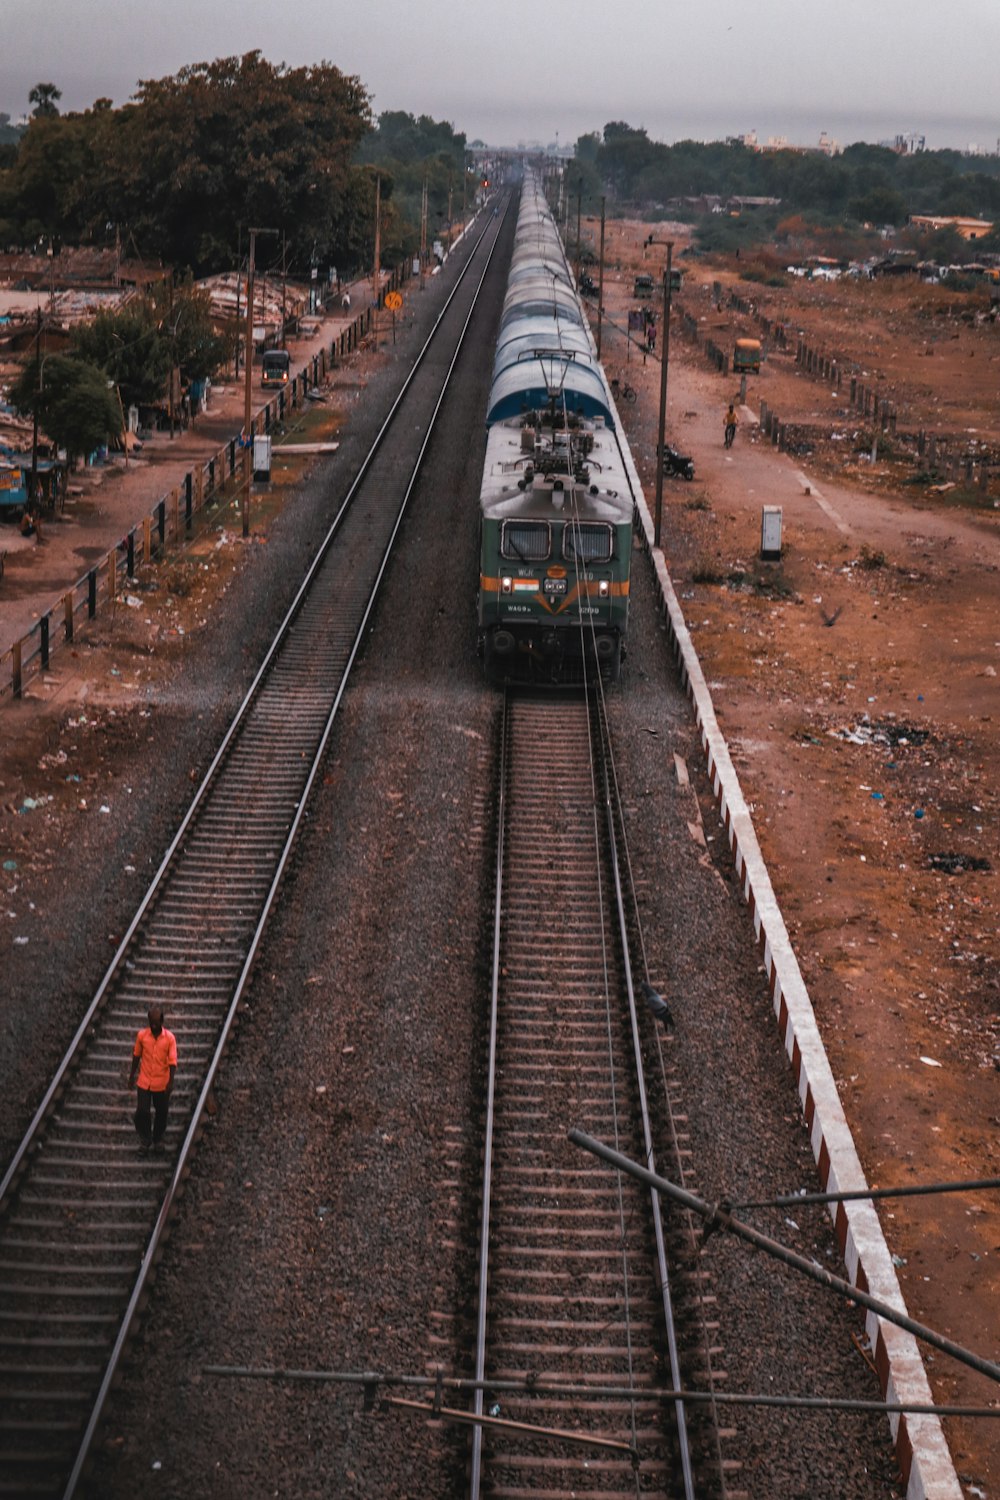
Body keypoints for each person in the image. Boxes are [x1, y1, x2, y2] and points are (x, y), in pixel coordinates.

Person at [128, 1005, 177, 1155]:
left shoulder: (169, 1038)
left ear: (162, 1021)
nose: (154, 1025)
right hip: (144, 1081)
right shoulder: (142, 1036)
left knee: (162, 1112)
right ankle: (145, 1139)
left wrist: (170, 1082)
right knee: (142, 1111)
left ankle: (157, 1139)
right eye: (151, 1022)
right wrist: (131, 1076)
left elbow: (172, 1062)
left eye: (156, 1022)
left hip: (161, 1083)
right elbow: (136, 1056)